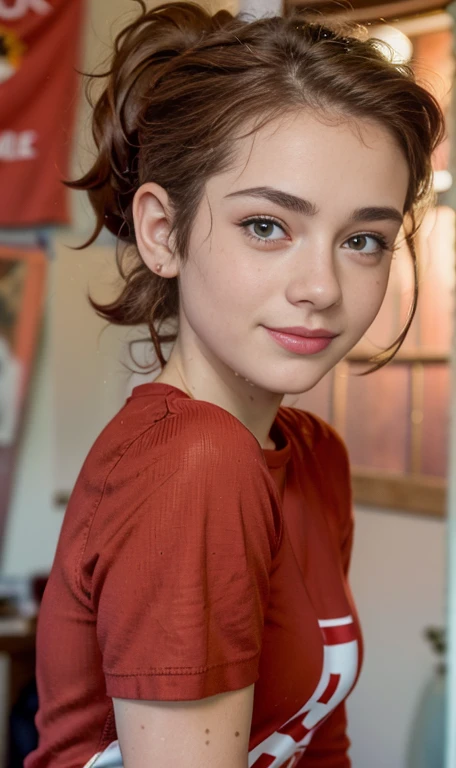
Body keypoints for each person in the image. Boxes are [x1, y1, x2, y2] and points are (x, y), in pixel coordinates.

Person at [25, 3, 445, 767]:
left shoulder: (313, 457)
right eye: (267, 226)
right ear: (162, 232)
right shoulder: (196, 463)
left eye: (362, 240)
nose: (319, 285)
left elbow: (319, 744)